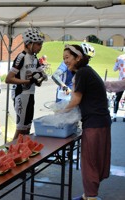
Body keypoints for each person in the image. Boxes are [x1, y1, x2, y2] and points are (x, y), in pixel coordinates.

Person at [58, 44, 111, 200]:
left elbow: (76, 99)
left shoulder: (82, 73)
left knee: (90, 161)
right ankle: (88, 195)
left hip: (94, 124)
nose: (65, 61)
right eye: (63, 58)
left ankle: (91, 197)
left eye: (67, 58)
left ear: (78, 57)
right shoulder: (87, 72)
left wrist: (60, 114)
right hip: (101, 122)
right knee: (97, 159)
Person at [5, 27, 46, 140]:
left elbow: (38, 82)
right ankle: (11, 154)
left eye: (41, 44)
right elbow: (8, 79)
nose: (40, 47)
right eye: (38, 44)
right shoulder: (21, 57)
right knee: (21, 129)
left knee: (27, 127)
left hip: (30, 94)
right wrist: (28, 81)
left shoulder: (35, 58)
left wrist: (39, 79)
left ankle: (23, 153)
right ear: (29, 44)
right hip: (21, 94)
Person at [111, 53, 125, 122]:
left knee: (117, 99)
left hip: (121, 81)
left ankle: (114, 115)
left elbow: (114, 69)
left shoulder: (119, 58)